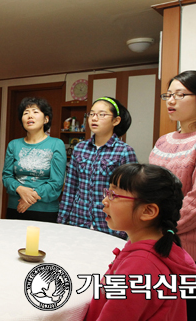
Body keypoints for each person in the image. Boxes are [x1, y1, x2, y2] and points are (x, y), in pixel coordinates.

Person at [84, 163, 196, 321]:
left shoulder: (141, 267)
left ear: (148, 211)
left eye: (114, 195)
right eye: (107, 192)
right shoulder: (151, 249)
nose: (105, 201)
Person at [149, 70, 196, 321]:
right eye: (168, 95)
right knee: (157, 309)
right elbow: (151, 187)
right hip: (157, 239)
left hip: (190, 249)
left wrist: (159, 227)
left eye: (180, 95)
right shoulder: (164, 141)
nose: (171, 101)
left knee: (183, 313)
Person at [58, 97, 137, 238]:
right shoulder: (79, 148)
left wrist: (125, 229)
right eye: (92, 114)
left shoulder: (124, 151)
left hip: (110, 225)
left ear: (116, 120)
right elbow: (70, 188)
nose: (94, 118)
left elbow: (129, 195)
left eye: (102, 114)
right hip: (78, 221)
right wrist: (61, 222)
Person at [2, 97, 66, 222]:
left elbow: (57, 182)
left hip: (45, 210)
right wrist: (20, 189)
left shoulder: (56, 144)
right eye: (26, 113)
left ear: (46, 119)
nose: (30, 116)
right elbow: (6, 177)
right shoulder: (13, 145)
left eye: (35, 112)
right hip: (15, 208)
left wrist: (30, 198)